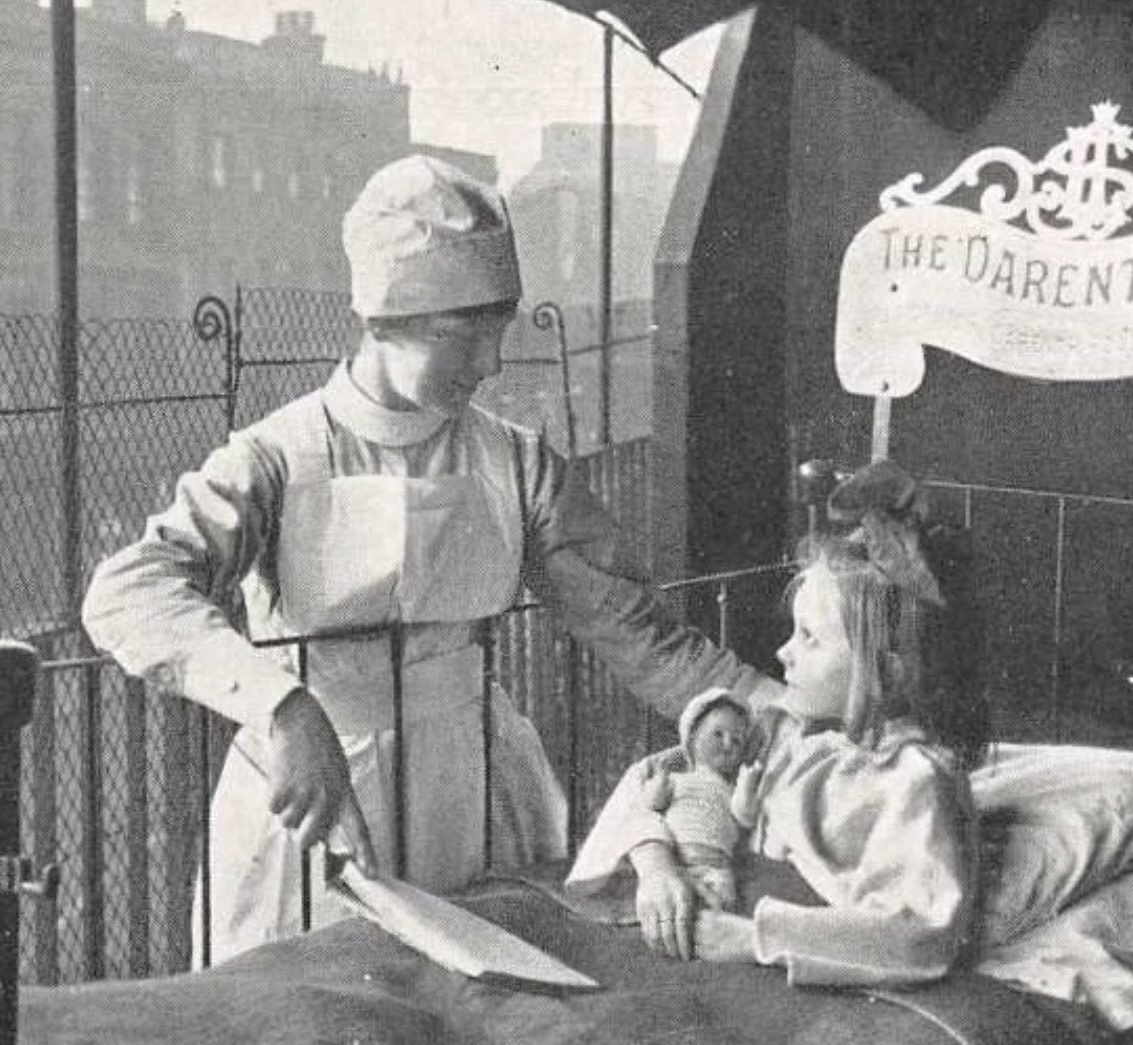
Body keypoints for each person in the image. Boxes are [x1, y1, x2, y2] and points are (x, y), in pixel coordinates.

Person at [80, 154, 781, 965]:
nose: (487, 366)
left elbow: (638, 633)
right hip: (319, 803)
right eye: (462, 338)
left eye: (498, 335)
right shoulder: (279, 456)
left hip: (477, 795)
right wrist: (280, 706)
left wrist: (781, 714)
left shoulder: (517, 464)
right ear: (381, 322)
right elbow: (128, 590)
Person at [568, 461, 989, 983]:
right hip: (711, 911)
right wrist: (656, 867)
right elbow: (656, 779)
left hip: (766, 949)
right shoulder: (780, 728)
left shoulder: (914, 783)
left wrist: (754, 939)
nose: (783, 651)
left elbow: (919, 934)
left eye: (809, 637)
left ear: (882, 669)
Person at [640, 688, 762, 912]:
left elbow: (745, 818)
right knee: (674, 906)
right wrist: (658, 786)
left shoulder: (730, 789)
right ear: (693, 737)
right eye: (718, 734)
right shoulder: (676, 779)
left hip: (717, 867)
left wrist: (747, 786)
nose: (727, 744)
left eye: (736, 741)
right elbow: (650, 808)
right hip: (676, 863)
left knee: (717, 912)